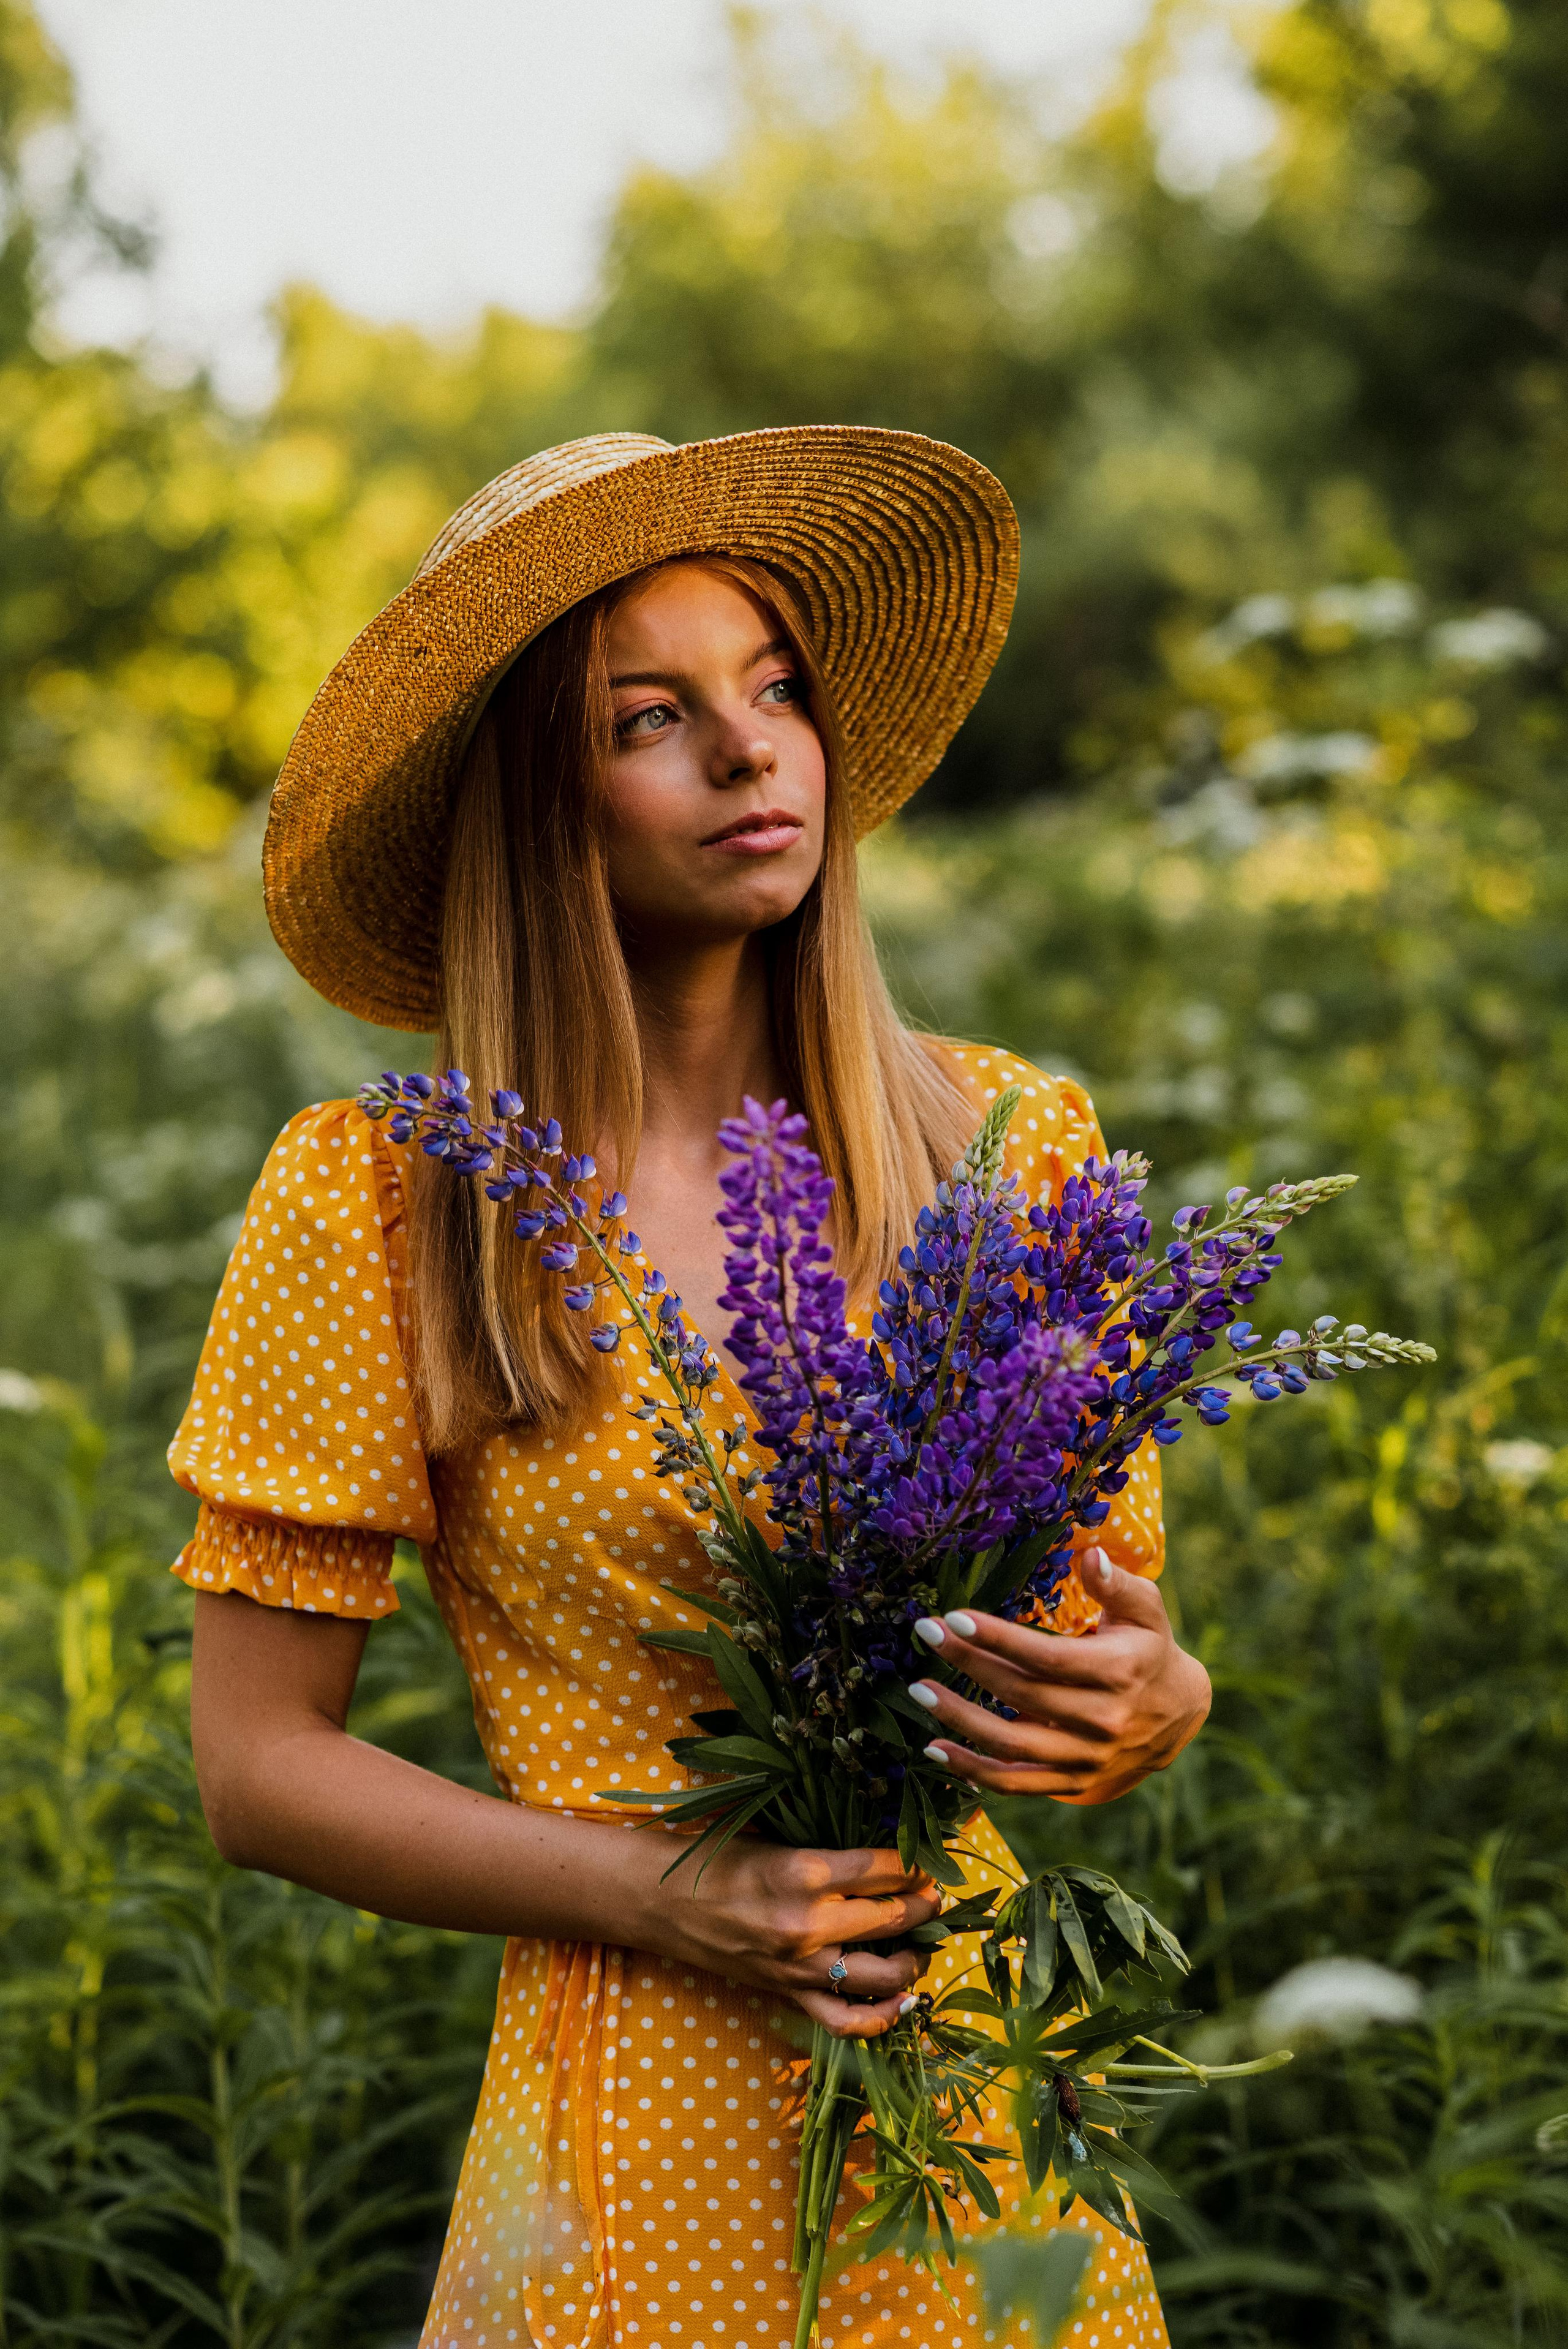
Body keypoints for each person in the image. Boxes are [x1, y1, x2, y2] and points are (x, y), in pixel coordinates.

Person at [172, 428, 1211, 2349]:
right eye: (652, 717)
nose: (751, 752)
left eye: (777, 688)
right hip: (620, 2138)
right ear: (536, 802)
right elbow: (257, 1768)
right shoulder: (389, 1199)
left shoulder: (1006, 1147)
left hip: (972, 2107)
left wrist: (1155, 1700)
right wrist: (667, 1888)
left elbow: (1091, 1651)